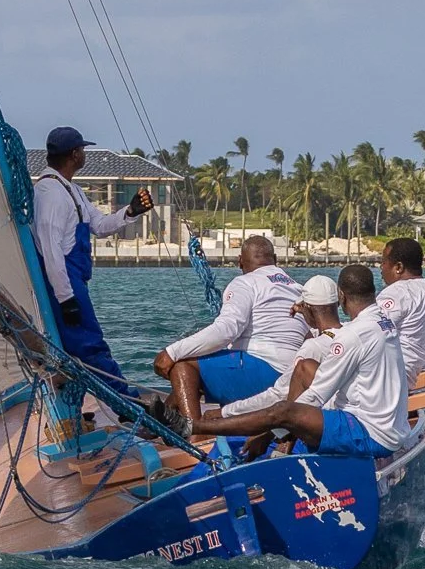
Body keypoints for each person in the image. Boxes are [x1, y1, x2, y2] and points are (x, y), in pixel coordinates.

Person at [192, 265, 409, 461]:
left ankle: (194, 426)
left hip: (369, 434)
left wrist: (270, 431)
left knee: (284, 411)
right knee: (304, 370)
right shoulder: (384, 321)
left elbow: (315, 396)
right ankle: (282, 446)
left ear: (342, 296)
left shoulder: (351, 337)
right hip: (393, 428)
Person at [32, 126, 153, 398]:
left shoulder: (70, 189)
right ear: (75, 154)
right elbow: (51, 251)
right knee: (89, 345)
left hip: (73, 280)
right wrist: (66, 298)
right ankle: (126, 404)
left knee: (82, 347)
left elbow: (98, 224)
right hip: (64, 283)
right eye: (83, 150)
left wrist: (130, 211)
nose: (84, 154)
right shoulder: (50, 194)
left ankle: (104, 399)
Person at [153, 235, 309, 419]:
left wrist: (172, 352)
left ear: (240, 262)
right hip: (294, 378)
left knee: (183, 366)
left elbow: (227, 330)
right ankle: (159, 423)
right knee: (202, 368)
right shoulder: (297, 288)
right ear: (275, 260)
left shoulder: (245, 282)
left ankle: (196, 432)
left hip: (267, 375)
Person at [217, 274, 345, 418]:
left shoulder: (311, 348)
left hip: (323, 419)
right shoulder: (350, 333)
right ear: (339, 304)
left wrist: (223, 412)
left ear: (307, 307)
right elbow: (326, 332)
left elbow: (278, 395)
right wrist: (308, 313)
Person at [377, 237, 425, 387]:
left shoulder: (399, 292)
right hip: (409, 371)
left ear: (398, 267)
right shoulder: (423, 289)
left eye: (384, 262)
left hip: (391, 376)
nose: (380, 268)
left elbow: (369, 330)